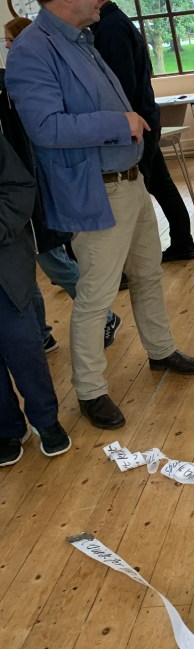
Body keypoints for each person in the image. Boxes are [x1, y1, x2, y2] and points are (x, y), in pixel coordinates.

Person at [5, 0, 194, 431]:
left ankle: (160, 351)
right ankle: (92, 390)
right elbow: (46, 127)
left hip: (129, 181)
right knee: (95, 295)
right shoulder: (32, 51)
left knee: (148, 274)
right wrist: (118, 123)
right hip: (95, 190)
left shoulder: (81, 39)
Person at [3, 16, 122, 354]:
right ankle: (41, 331)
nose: (8, 46)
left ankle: (105, 318)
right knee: (39, 263)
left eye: (10, 40)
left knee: (51, 261)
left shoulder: (19, 82)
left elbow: (43, 134)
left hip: (32, 189)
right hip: (28, 189)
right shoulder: (14, 83)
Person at [91, 0, 194, 261]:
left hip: (134, 125)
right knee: (160, 185)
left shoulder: (110, 27)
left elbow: (119, 86)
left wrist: (118, 125)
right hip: (142, 120)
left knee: (139, 191)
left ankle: (139, 259)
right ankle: (182, 243)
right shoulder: (115, 23)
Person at [0, 129, 71, 465]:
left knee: (24, 347)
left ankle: (46, 420)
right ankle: (8, 428)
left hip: (5, 269)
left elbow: (18, 187)